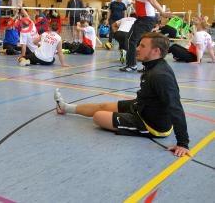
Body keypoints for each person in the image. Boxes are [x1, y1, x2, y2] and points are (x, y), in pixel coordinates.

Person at [54, 33, 191, 157]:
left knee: (98, 116)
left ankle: (139, 125)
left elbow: (175, 107)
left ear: (156, 51)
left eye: (142, 46)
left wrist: (183, 143)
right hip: (143, 107)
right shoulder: (152, 65)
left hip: (151, 125)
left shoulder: (160, 75)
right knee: (104, 105)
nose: (137, 48)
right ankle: (65, 107)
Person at [120, 0, 172, 72]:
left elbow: (152, 0)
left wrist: (162, 12)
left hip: (146, 19)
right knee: (141, 42)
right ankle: (147, 66)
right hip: (144, 19)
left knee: (131, 40)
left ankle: (131, 65)